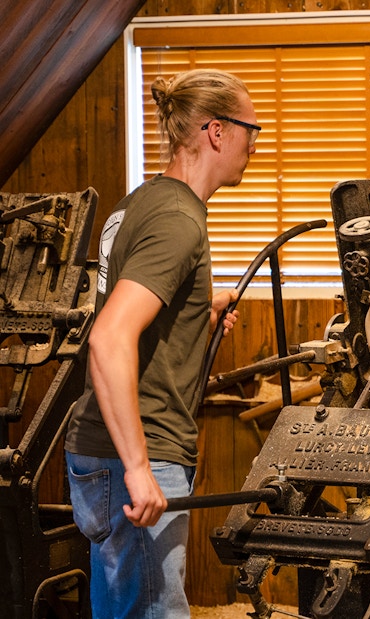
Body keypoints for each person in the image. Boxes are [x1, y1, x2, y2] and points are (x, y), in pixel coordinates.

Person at [64, 68, 260, 619]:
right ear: (216, 131)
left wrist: (200, 308)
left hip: (106, 447)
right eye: (252, 129)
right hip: (136, 447)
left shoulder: (148, 201)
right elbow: (109, 337)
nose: (254, 142)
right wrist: (137, 467)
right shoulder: (179, 220)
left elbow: (136, 305)